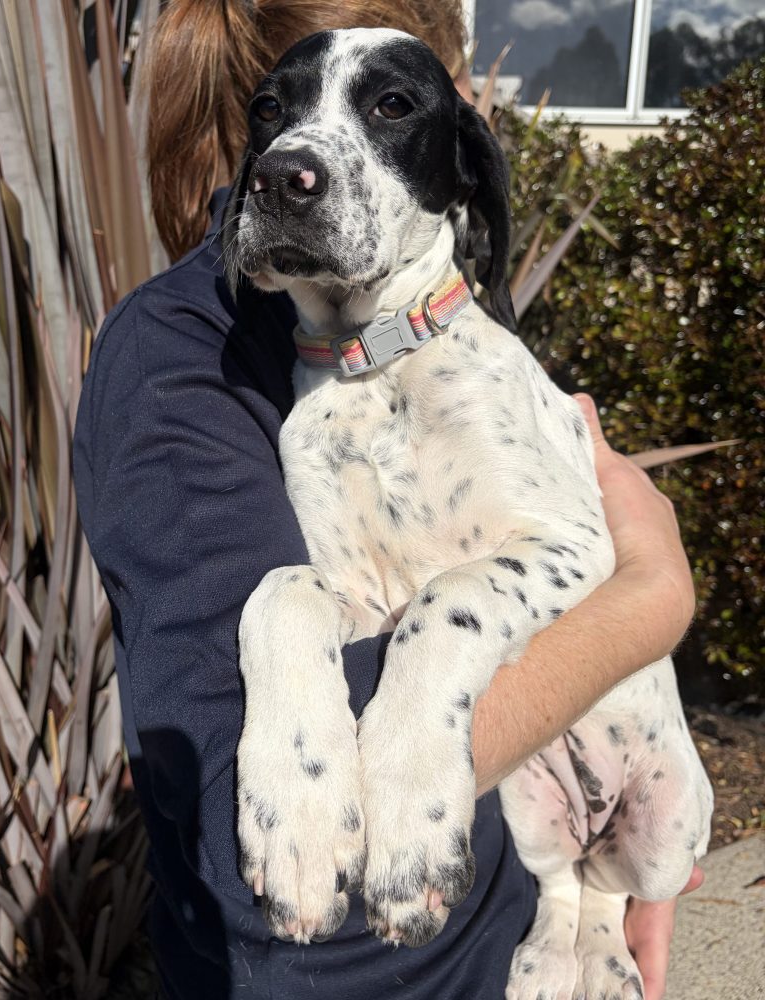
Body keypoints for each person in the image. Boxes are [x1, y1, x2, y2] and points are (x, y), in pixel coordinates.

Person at [73, 1, 701, 997]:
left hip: (512, 912)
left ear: (460, 178)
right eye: (280, 120)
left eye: (390, 106)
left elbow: (554, 565)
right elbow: (245, 781)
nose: (300, 159)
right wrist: (656, 594)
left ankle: (573, 907)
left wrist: (595, 892)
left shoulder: (472, 363)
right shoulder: (192, 360)